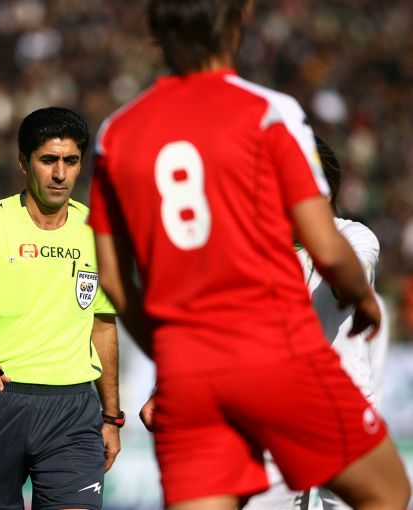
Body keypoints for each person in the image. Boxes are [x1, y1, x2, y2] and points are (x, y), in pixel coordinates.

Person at [87, 1, 411, 509]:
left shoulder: (116, 133)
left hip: (190, 371)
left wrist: (167, 352)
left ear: (155, 35)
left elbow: (112, 277)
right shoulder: (268, 110)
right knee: (387, 492)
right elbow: (326, 245)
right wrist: (363, 298)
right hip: (274, 353)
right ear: (236, 23)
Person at [0, 107, 122, 510]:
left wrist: (111, 417)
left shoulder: (97, 233)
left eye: (71, 161)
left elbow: (103, 326)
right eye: (48, 160)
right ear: (24, 162)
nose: (60, 174)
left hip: (73, 412)